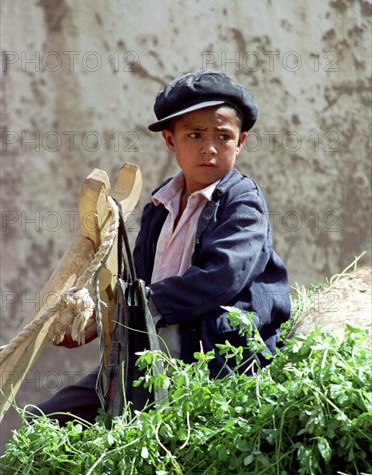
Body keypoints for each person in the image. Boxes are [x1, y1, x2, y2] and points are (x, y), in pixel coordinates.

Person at [30, 70, 290, 425]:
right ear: (170, 140)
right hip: (150, 357)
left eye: (223, 136)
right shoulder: (160, 203)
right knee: (46, 419)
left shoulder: (243, 203)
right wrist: (99, 323)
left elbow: (220, 276)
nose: (209, 148)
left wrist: (132, 309)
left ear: (240, 142)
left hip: (215, 361)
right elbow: (138, 280)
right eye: (194, 135)